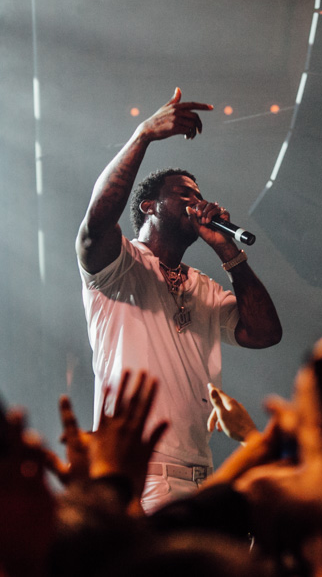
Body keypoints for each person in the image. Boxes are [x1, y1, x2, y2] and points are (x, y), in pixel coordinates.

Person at [77, 88, 282, 513]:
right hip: (142, 475)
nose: (197, 201)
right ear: (149, 205)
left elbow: (264, 334)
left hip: (202, 475)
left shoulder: (202, 285)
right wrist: (143, 136)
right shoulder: (120, 267)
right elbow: (97, 219)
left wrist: (229, 252)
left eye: (199, 193)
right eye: (184, 193)